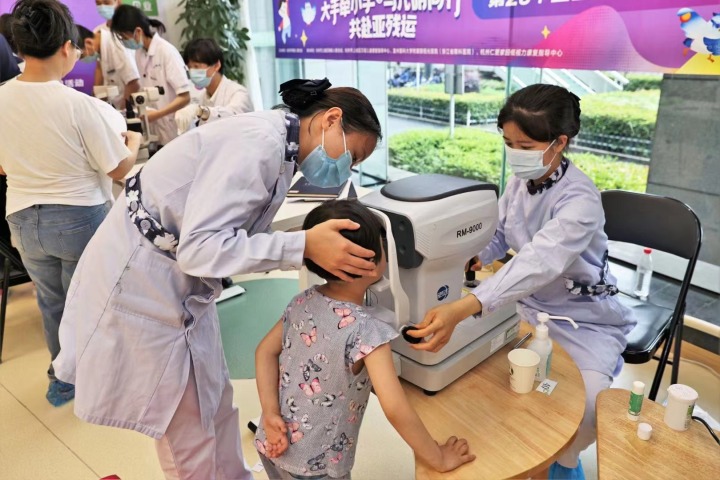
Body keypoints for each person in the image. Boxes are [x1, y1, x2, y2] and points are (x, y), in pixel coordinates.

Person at [53, 78, 386, 479]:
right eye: (353, 156)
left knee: (216, 403)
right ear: (330, 119)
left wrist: (301, 243)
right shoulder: (258, 144)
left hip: (181, 285)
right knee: (189, 429)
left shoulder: (280, 150)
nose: (347, 169)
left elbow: (233, 229)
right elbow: (200, 249)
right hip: (143, 284)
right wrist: (302, 246)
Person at [407, 84, 636, 480]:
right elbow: (499, 233)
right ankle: (518, 456)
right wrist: (474, 253)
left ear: (560, 142)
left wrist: (465, 307)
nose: (515, 154)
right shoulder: (519, 183)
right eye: (509, 143)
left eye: (526, 146)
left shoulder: (580, 200)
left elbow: (539, 260)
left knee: (587, 409)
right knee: (489, 389)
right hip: (525, 305)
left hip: (582, 319)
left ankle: (561, 464)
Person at [255, 199, 476, 479]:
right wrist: (438, 457)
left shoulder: (301, 301)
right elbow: (395, 408)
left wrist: (270, 412)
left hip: (271, 443)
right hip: (317, 469)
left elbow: (264, 352)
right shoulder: (368, 332)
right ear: (371, 265)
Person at [0, 0, 141, 406]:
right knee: (93, 301)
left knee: (52, 302)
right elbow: (118, 169)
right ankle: (105, 379)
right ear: (66, 47)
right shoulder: (81, 106)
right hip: (78, 217)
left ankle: (63, 381)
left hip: (22, 222)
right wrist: (133, 142)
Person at [111, 5, 190, 147]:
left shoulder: (166, 51)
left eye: (124, 37)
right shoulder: (139, 54)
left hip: (175, 130)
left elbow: (185, 97)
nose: (124, 42)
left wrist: (158, 114)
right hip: (156, 130)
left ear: (138, 31)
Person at [175, 37, 253, 134]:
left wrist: (202, 111)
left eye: (196, 66)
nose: (192, 72)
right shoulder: (201, 98)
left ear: (216, 66)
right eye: (189, 67)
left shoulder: (238, 93)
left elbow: (232, 117)